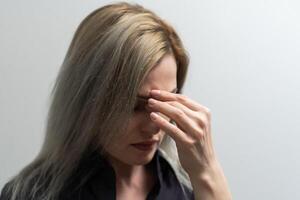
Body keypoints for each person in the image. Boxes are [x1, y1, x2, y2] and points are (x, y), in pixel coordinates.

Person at [0, 2, 232, 200]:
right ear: (87, 98)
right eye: (135, 105)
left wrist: (208, 173)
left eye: (167, 103)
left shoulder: (189, 189)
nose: (154, 125)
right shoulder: (30, 194)